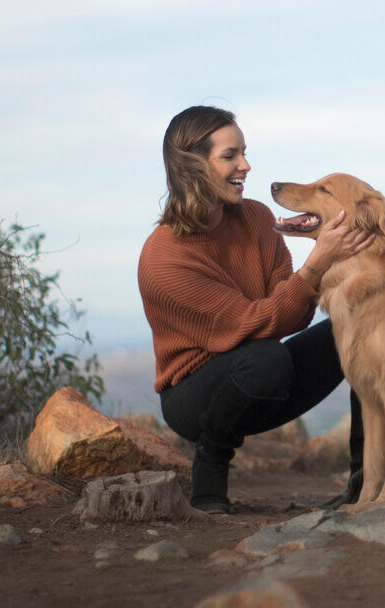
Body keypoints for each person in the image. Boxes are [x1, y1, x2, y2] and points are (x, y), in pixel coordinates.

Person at [137, 106, 371, 514]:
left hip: (265, 372)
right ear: (192, 165)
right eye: (230, 156)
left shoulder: (259, 218)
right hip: (194, 395)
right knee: (265, 358)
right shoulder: (165, 258)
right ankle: (209, 472)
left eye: (244, 153)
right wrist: (317, 262)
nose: (245, 165)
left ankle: (366, 478)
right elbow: (257, 322)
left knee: (359, 329)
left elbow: (292, 315)